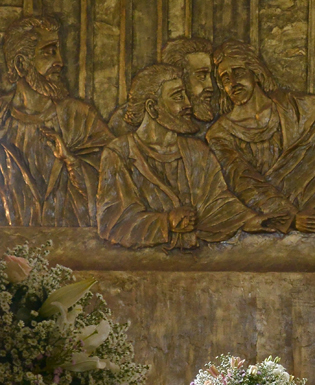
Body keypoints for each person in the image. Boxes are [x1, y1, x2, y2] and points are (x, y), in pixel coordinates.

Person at [207, 40, 315, 232]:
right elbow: (246, 184)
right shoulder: (219, 134)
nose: (233, 83)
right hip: (270, 232)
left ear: (255, 72)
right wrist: (291, 218)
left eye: (238, 72)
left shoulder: (305, 110)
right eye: (225, 79)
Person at [96, 64, 262, 248]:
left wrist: (252, 220)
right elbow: (111, 224)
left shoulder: (197, 151)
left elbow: (218, 203)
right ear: (152, 107)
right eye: (178, 97)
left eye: (186, 96)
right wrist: (166, 222)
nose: (188, 105)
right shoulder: (119, 153)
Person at [0, 13, 112, 226]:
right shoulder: (2, 118)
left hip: (73, 249)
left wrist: (71, 161)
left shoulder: (81, 118)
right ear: (21, 64)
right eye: (49, 53)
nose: (60, 62)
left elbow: (115, 185)